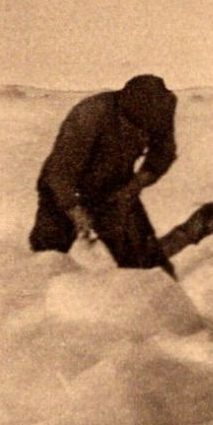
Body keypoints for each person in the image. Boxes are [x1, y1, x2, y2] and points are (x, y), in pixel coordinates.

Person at [28, 73, 180, 276]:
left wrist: (133, 188)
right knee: (49, 258)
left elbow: (162, 153)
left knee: (148, 265)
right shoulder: (91, 114)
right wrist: (76, 212)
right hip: (65, 190)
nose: (142, 131)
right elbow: (60, 173)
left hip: (116, 187)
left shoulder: (161, 107)